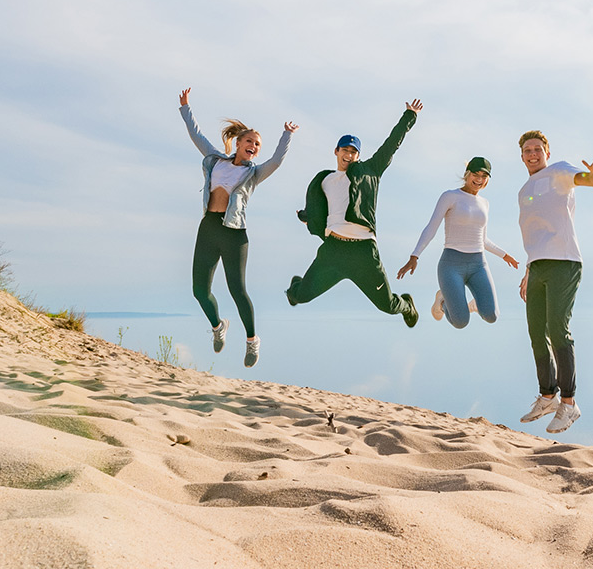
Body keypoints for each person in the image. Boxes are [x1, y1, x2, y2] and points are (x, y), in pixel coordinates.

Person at [179, 88, 296, 367]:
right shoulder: (216, 159)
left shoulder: (253, 174)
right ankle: (218, 326)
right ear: (238, 142)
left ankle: (252, 341)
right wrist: (185, 108)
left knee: (237, 290)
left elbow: (277, 161)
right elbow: (197, 136)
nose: (254, 146)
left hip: (234, 234)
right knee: (199, 290)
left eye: (257, 144)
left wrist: (286, 135)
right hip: (208, 227)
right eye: (250, 141)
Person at [286, 100, 424, 326]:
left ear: (358, 155)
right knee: (299, 296)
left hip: (363, 252)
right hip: (334, 250)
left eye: (353, 152)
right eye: (345, 150)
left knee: (387, 305)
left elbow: (391, 145)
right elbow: (316, 207)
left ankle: (407, 305)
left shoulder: (371, 171)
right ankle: (296, 287)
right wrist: (307, 217)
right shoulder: (324, 179)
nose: (349, 155)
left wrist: (409, 117)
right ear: (336, 151)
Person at [513, 130, 593, 434]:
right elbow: (532, 234)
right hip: (537, 266)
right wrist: (529, 271)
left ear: (547, 153)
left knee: (557, 329)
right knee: (536, 332)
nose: (532, 154)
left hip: (564, 262)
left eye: (538, 149)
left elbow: (588, 181)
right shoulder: (524, 189)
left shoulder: (560, 171)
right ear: (522, 155)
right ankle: (547, 395)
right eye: (527, 150)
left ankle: (568, 403)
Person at [396, 157, 521, 328]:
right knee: (460, 322)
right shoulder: (450, 196)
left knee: (492, 316)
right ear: (467, 174)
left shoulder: (485, 203)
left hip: (478, 265)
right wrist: (414, 256)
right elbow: (431, 227)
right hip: (451, 265)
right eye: (476, 174)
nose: (479, 180)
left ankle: (472, 305)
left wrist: (504, 255)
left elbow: (482, 238)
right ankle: (442, 301)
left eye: (484, 176)